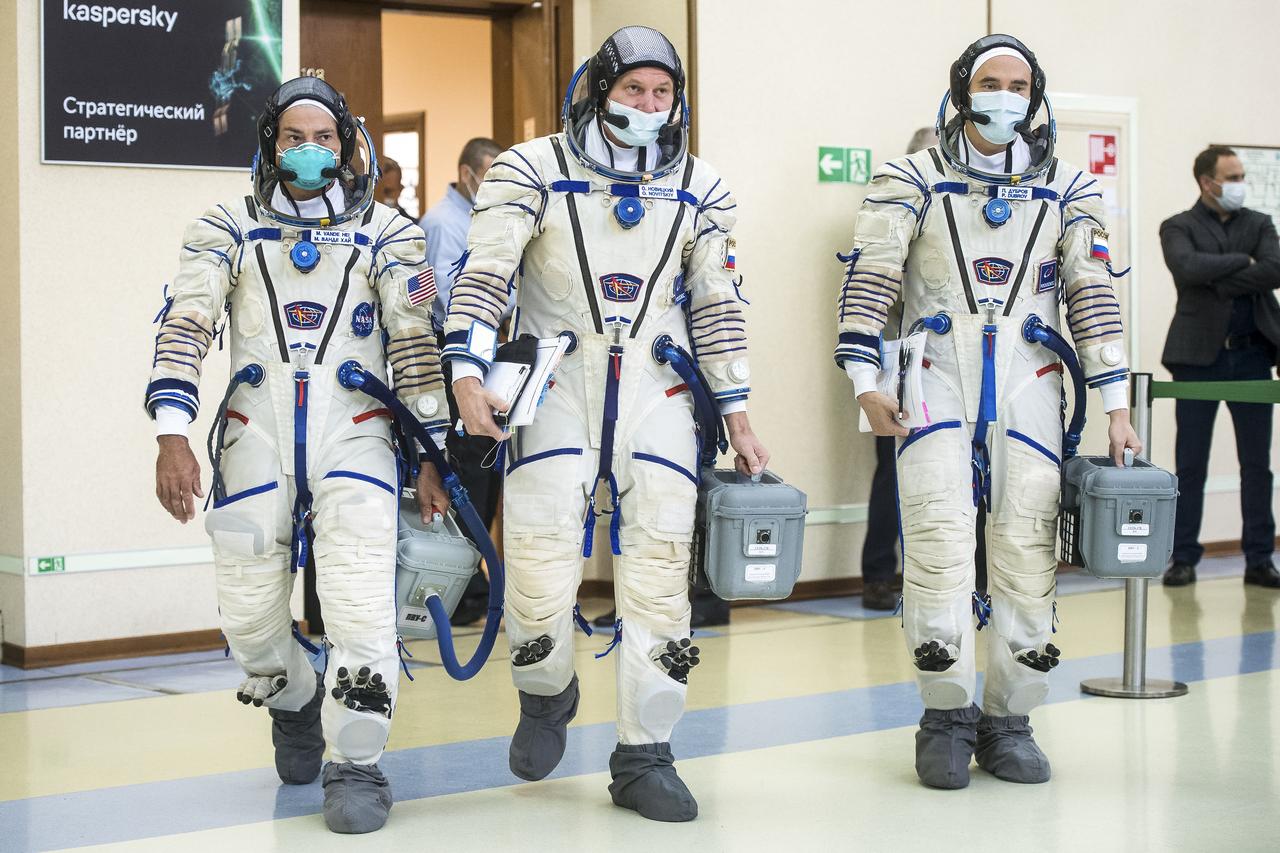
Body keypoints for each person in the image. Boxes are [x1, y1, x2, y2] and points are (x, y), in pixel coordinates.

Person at [446, 26, 768, 821]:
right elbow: (485, 272)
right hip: (556, 384)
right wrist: (465, 372)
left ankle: (644, 752)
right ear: (599, 90)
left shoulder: (702, 185)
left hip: (658, 389)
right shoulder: (531, 171)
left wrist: (738, 409)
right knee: (535, 570)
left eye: (662, 94)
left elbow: (720, 305)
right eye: (634, 91)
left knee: (660, 575)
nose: (648, 107)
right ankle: (546, 690)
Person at [835, 35, 1141, 789]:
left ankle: (1009, 717)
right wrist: (862, 379)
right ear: (961, 90)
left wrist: (1117, 405)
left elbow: (1093, 298)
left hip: (1032, 383)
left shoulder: (1070, 185)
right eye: (989, 82)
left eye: (1017, 83)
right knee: (938, 543)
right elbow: (872, 280)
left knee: (1028, 550)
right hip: (934, 375)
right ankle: (945, 713)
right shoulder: (911, 178)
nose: (1003, 95)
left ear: (1035, 95)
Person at [147, 76, 450, 834]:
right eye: (293, 137)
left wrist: (431, 452)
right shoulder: (226, 226)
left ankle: (355, 763)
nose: (309, 151)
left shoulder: (391, 232)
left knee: (358, 603)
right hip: (258, 432)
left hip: (358, 434)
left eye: (323, 138)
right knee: (250, 618)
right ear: (269, 144)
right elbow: (186, 325)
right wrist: (170, 434)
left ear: (347, 146)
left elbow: (415, 345)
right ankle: (293, 694)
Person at [1159, 146, 1280, 588]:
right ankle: (1184, 557)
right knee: (1190, 464)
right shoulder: (1178, 225)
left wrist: (1219, 277)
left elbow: (1275, 269)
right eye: (1231, 176)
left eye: (1241, 175)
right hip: (1197, 360)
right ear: (1207, 182)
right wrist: (1243, 263)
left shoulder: (1260, 223)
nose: (1238, 183)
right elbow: (1186, 266)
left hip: (1252, 356)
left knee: (1257, 465)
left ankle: (1260, 559)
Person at [419, 137, 511, 625]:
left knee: (489, 471)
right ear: (468, 172)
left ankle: (476, 584)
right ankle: (458, 586)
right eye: (490, 176)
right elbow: (448, 299)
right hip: (452, 361)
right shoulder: (442, 223)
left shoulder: (490, 222)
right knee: (466, 475)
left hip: (492, 361)